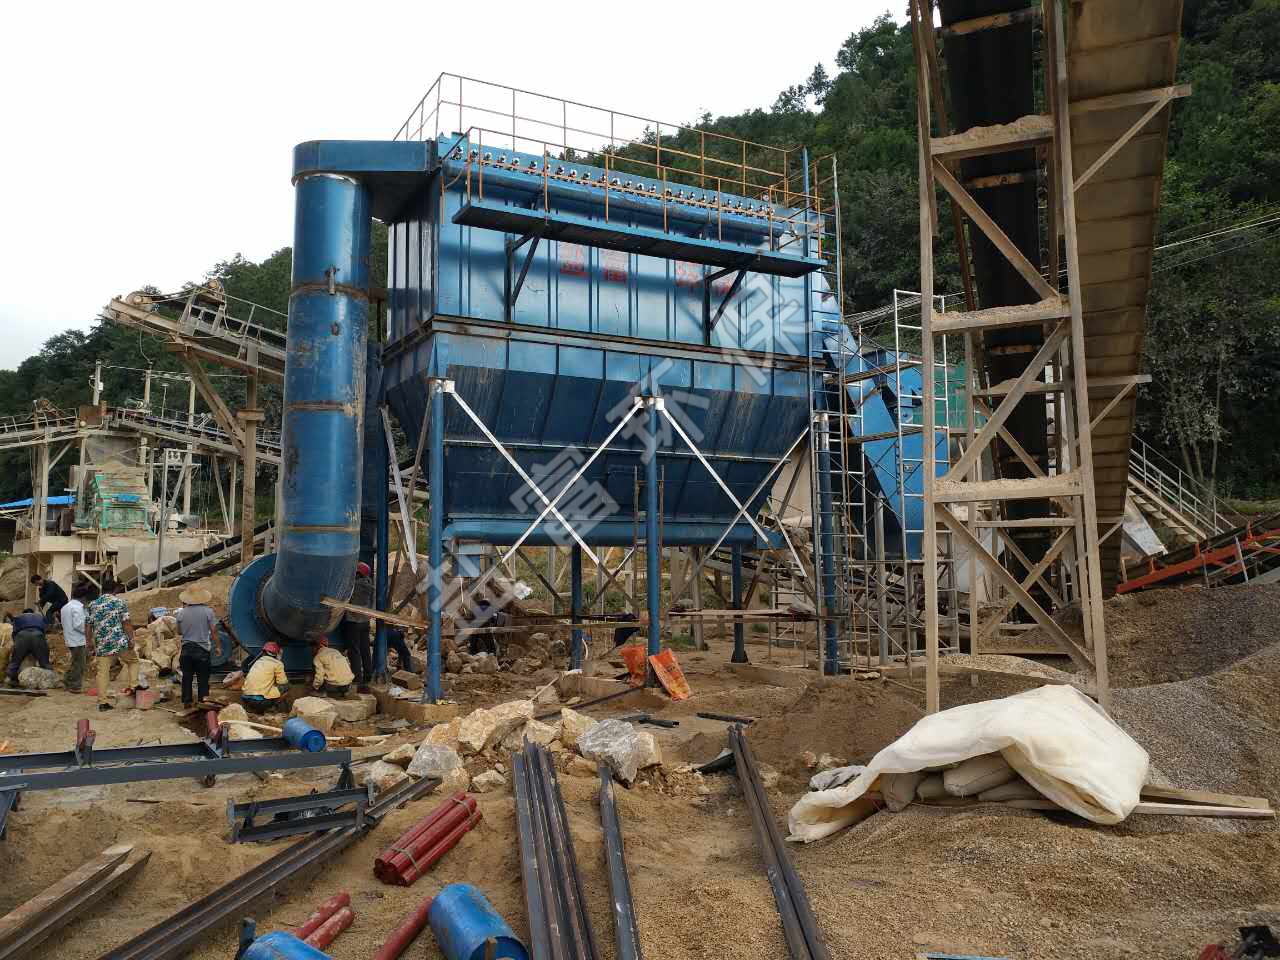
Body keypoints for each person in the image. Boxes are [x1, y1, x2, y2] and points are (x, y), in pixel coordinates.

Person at [86, 580, 138, 711]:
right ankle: (134, 686)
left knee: (102, 673)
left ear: (102, 589)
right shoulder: (119, 602)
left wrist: (89, 642)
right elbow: (126, 622)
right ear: (115, 590)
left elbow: (88, 625)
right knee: (133, 661)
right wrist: (131, 639)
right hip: (119, 642)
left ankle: (102, 702)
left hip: (102, 644)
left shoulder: (92, 604)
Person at [175, 586, 218, 707]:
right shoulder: (208, 612)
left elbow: (179, 631)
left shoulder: (181, 613)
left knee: (187, 677)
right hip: (202, 650)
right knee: (203, 678)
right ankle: (203, 701)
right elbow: (214, 631)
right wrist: (218, 646)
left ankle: (187, 701)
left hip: (186, 649)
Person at [342, 562, 374, 688]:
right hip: (365, 622)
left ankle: (357, 677)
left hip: (353, 622)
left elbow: (345, 598)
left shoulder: (353, 585)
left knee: (354, 650)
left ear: (358, 573)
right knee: (365, 649)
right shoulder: (370, 585)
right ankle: (368, 675)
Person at [5, 608, 51, 685]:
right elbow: (44, 632)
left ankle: (8, 679)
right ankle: (50, 679)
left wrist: (18, 648)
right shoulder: (39, 617)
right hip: (38, 636)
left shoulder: (19, 617)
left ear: (23, 613)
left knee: (15, 661)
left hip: (21, 636)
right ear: (33, 612)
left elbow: (14, 634)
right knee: (44, 662)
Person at [241, 641, 289, 714]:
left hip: (245, 698)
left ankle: (256, 710)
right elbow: (283, 682)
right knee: (286, 687)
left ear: (263, 652)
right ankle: (272, 708)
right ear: (276, 654)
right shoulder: (277, 664)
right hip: (261, 702)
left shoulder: (257, 662)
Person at [61, 583, 89, 693]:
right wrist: (88, 632)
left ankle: (67, 681)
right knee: (79, 664)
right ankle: (74, 685)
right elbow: (79, 625)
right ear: (83, 597)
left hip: (70, 638)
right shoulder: (78, 607)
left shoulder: (65, 607)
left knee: (75, 662)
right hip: (78, 639)